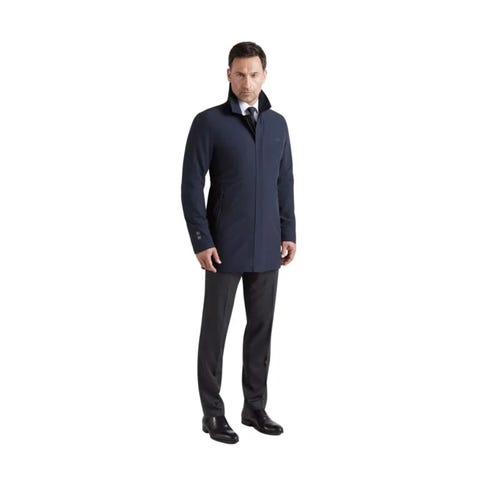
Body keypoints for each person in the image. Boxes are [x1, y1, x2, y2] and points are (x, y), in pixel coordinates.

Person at [181, 41, 296, 444]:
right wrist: (201, 240)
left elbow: (284, 181)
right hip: (223, 247)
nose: (247, 82)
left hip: (267, 245)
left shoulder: (278, 124)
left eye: (254, 74)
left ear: (264, 75)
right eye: (240, 74)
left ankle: (254, 407)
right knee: (215, 330)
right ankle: (213, 413)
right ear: (228, 74)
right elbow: (191, 186)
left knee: (261, 330)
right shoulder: (208, 123)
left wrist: (288, 231)